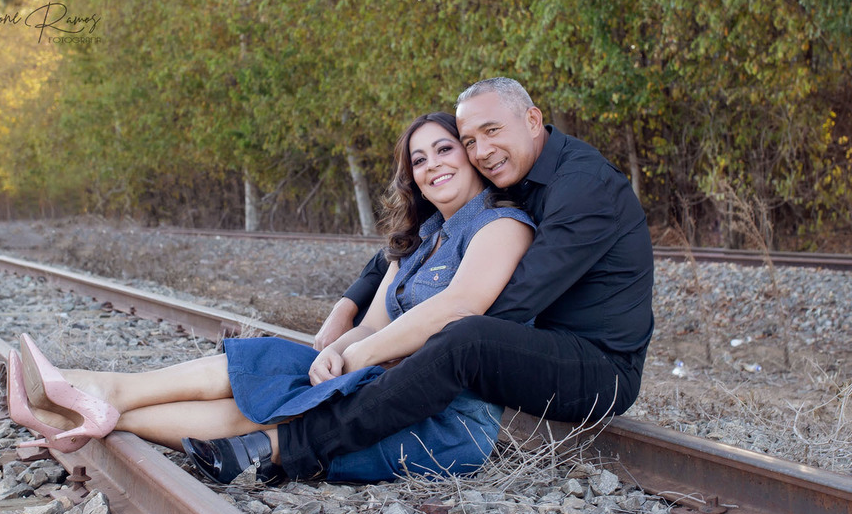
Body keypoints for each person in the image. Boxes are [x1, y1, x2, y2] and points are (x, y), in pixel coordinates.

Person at [8, 112, 535, 482]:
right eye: (419, 160)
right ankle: (100, 401)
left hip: (441, 419)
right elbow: (373, 324)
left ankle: (90, 401)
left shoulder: (501, 225)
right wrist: (336, 351)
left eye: (444, 149)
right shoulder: (417, 241)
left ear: (470, 156)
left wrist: (352, 356)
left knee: (279, 402)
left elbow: (457, 306)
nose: (432, 165)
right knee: (274, 363)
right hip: (380, 385)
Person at [183, 77, 654, 484]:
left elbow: (511, 303)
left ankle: (285, 447)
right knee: (441, 336)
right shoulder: (518, 172)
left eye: (492, 131)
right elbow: (413, 246)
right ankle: (287, 421)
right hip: (542, 347)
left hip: (598, 369)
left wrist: (386, 349)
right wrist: (349, 305)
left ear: (533, 120)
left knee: (466, 337)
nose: (482, 151)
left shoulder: (583, 186)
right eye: (470, 141)